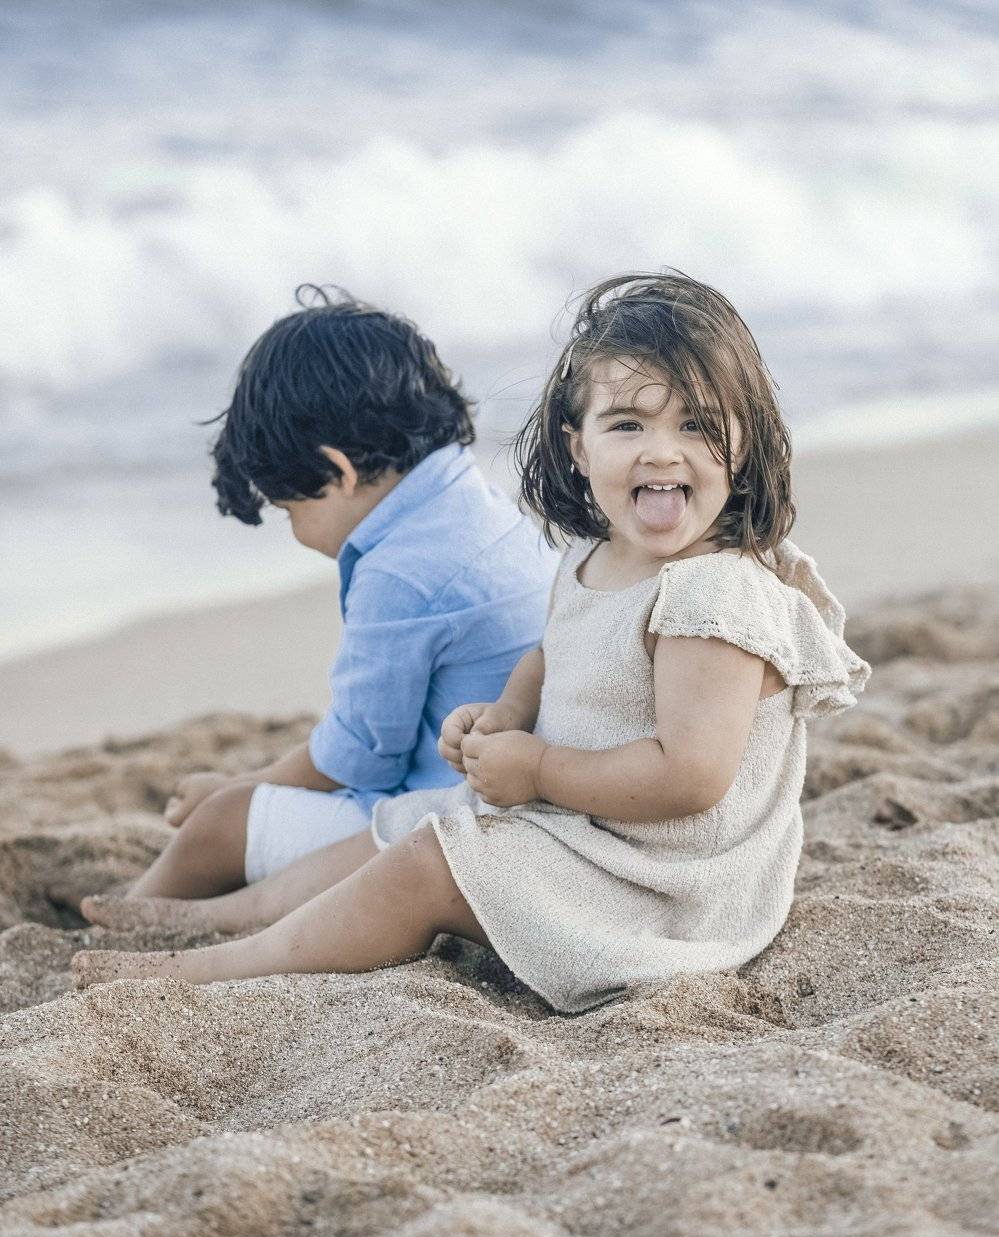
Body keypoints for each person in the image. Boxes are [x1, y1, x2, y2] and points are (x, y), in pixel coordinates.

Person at [73, 270, 870, 1013]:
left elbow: (689, 778)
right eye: (627, 423)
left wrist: (540, 769)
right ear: (578, 446)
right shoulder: (597, 555)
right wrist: (507, 712)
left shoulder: (713, 596)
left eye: (695, 424)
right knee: (410, 824)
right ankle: (225, 916)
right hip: (590, 831)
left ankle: (221, 967)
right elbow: (556, 652)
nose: (661, 450)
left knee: (430, 863)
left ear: (745, 441)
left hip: (662, 887)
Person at [124, 288, 557, 902]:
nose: (295, 532)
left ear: (338, 472)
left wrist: (236, 788)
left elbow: (359, 760)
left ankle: (132, 911)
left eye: (289, 510)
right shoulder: (479, 505)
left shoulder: (399, 574)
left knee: (218, 825)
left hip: (454, 823)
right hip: (525, 795)